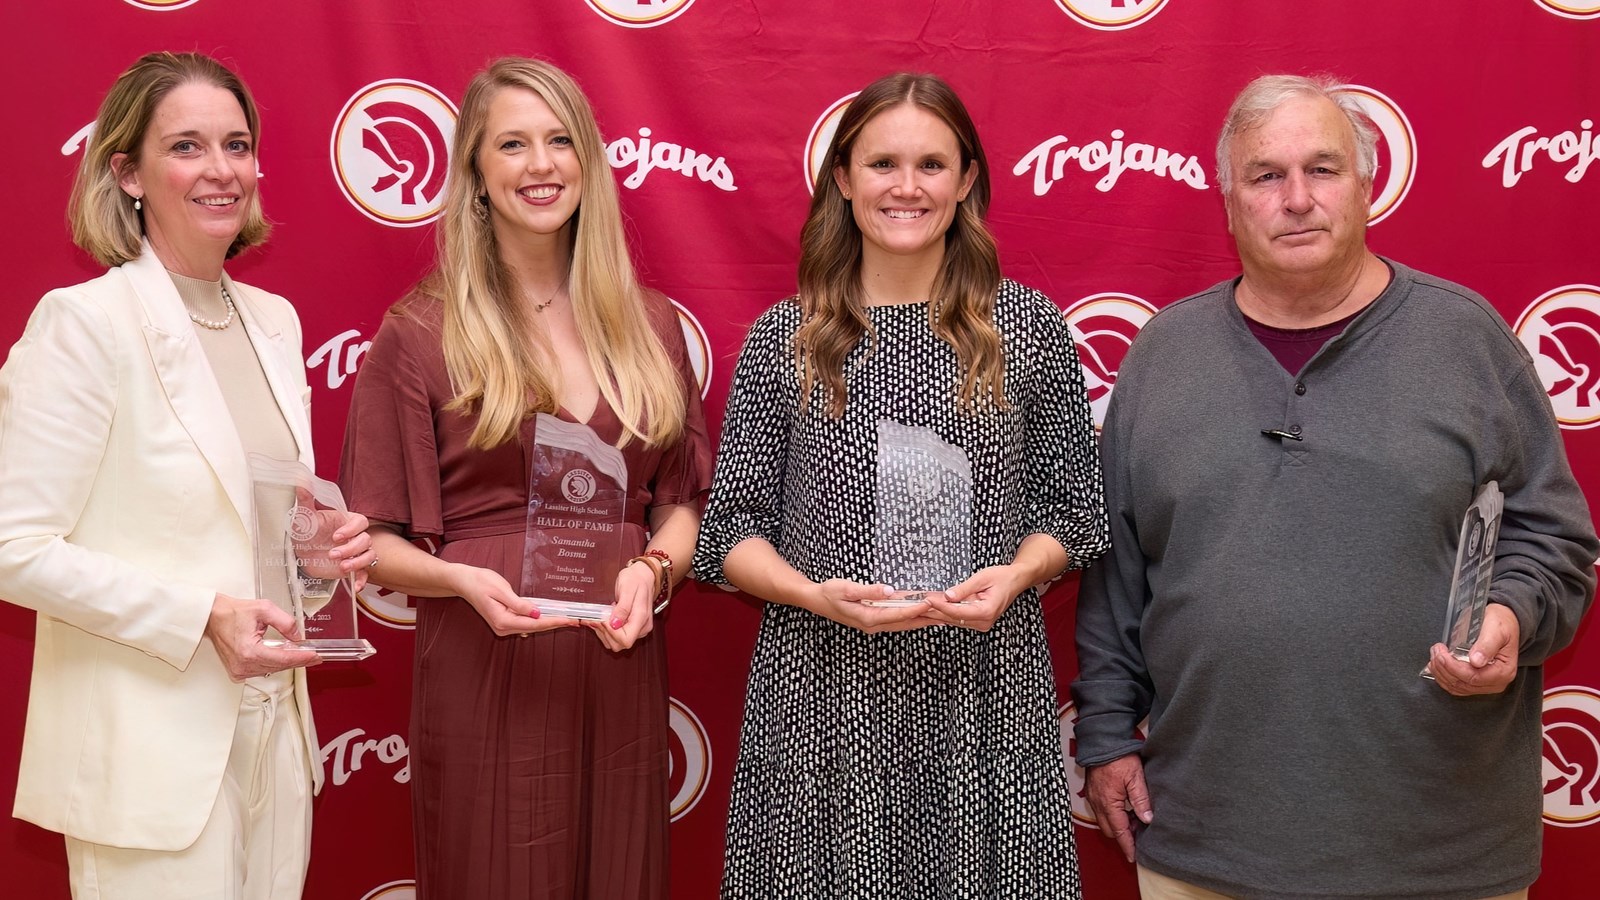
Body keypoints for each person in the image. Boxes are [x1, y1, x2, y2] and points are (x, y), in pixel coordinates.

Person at [1072, 74, 1599, 900]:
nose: (1296, 199)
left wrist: (1512, 616)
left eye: (1322, 170)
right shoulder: (1163, 358)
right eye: (1265, 176)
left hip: (1440, 851)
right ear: (1229, 199)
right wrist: (1105, 737)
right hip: (1206, 843)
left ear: (1364, 186)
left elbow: (1554, 540)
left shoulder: (1466, 341)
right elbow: (1115, 580)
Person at [693, 72, 1108, 899]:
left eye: (931, 164)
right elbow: (728, 533)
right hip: (822, 695)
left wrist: (1019, 577)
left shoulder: (1026, 332)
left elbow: (1073, 511)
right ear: (843, 180)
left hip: (984, 693)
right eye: (883, 163)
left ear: (965, 182)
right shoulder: (787, 340)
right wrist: (814, 595)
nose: (907, 187)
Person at [0, 52, 374, 899]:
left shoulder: (273, 322)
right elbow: (12, 547)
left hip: (273, 736)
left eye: (237, 145)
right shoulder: (85, 324)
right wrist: (201, 616)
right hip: (148, 760)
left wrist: (314, 564)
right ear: (126, 172)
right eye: (187, 147)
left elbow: (252, 529)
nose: (220, 171)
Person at [338, 57, 711, 900]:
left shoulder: (648, 324)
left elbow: (684, 499)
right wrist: (458, 580)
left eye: (559, 141)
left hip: (618, 665)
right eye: (512, 143)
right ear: (474, 169)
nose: (540, 165)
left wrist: (653, 573)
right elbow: (376, 545)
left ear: (588, 160)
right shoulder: (421, 331)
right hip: (484, 659)